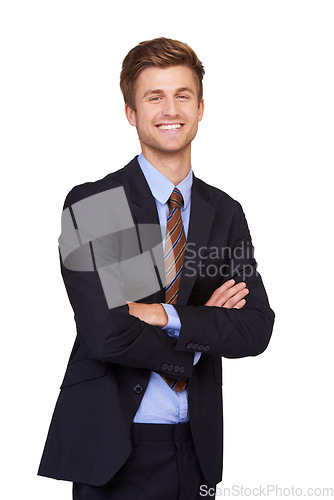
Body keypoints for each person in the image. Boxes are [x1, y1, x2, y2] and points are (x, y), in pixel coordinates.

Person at [38, 37, 275, 499]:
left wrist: (169, 315)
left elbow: (256, 327)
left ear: (201, 107)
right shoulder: (99, 204)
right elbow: (109, 333)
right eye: (154, 97)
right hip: (113, 450)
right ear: (131, 112)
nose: (171, 109)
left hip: (197, 448)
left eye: (182, 95)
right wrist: (205, 328)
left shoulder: (224, 212)